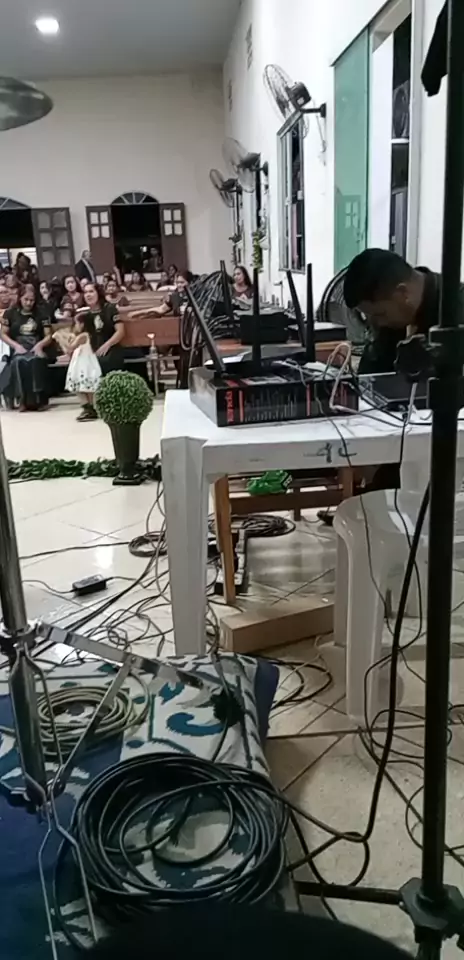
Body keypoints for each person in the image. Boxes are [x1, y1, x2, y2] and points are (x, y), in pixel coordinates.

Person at [343, 248, 454, 374]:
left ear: (402, 293)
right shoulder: (392, 318)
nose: (378, 323)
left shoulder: (454, 314)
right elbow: (371, 373)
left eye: (380, 314)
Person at [0, 287, 52, 410]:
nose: (29, 303)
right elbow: (3, 334)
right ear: (20, 298)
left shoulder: (42, 313)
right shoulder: (10, 313)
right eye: (26, 299)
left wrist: (40, 345)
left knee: (36, 361)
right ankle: (22, 400)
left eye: (31, 300)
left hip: (37, 345)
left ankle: (38, 400)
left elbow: (49, 335)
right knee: (19, 362)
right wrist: (16, 346)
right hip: (19, 346)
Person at [65, 311, 102, 421]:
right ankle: (89, 408)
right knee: (84, 388)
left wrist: (59, 338)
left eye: (76, 323)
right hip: (82, 363)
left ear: (82, 324)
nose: (75, 326)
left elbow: (69, 348)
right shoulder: (86, 335)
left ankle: (88, 407)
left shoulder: (83, 335)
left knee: (84, 387)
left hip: (84, 365)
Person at [81, 283, 125, 375]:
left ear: (98, 293)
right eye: (85, 292)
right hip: (93, 351)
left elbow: (120, 331)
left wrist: (107, 345)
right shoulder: (86, 315)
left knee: (105, 362)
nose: (88, 295)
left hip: (111, 347)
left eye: (91, 291)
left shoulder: (110, 309)